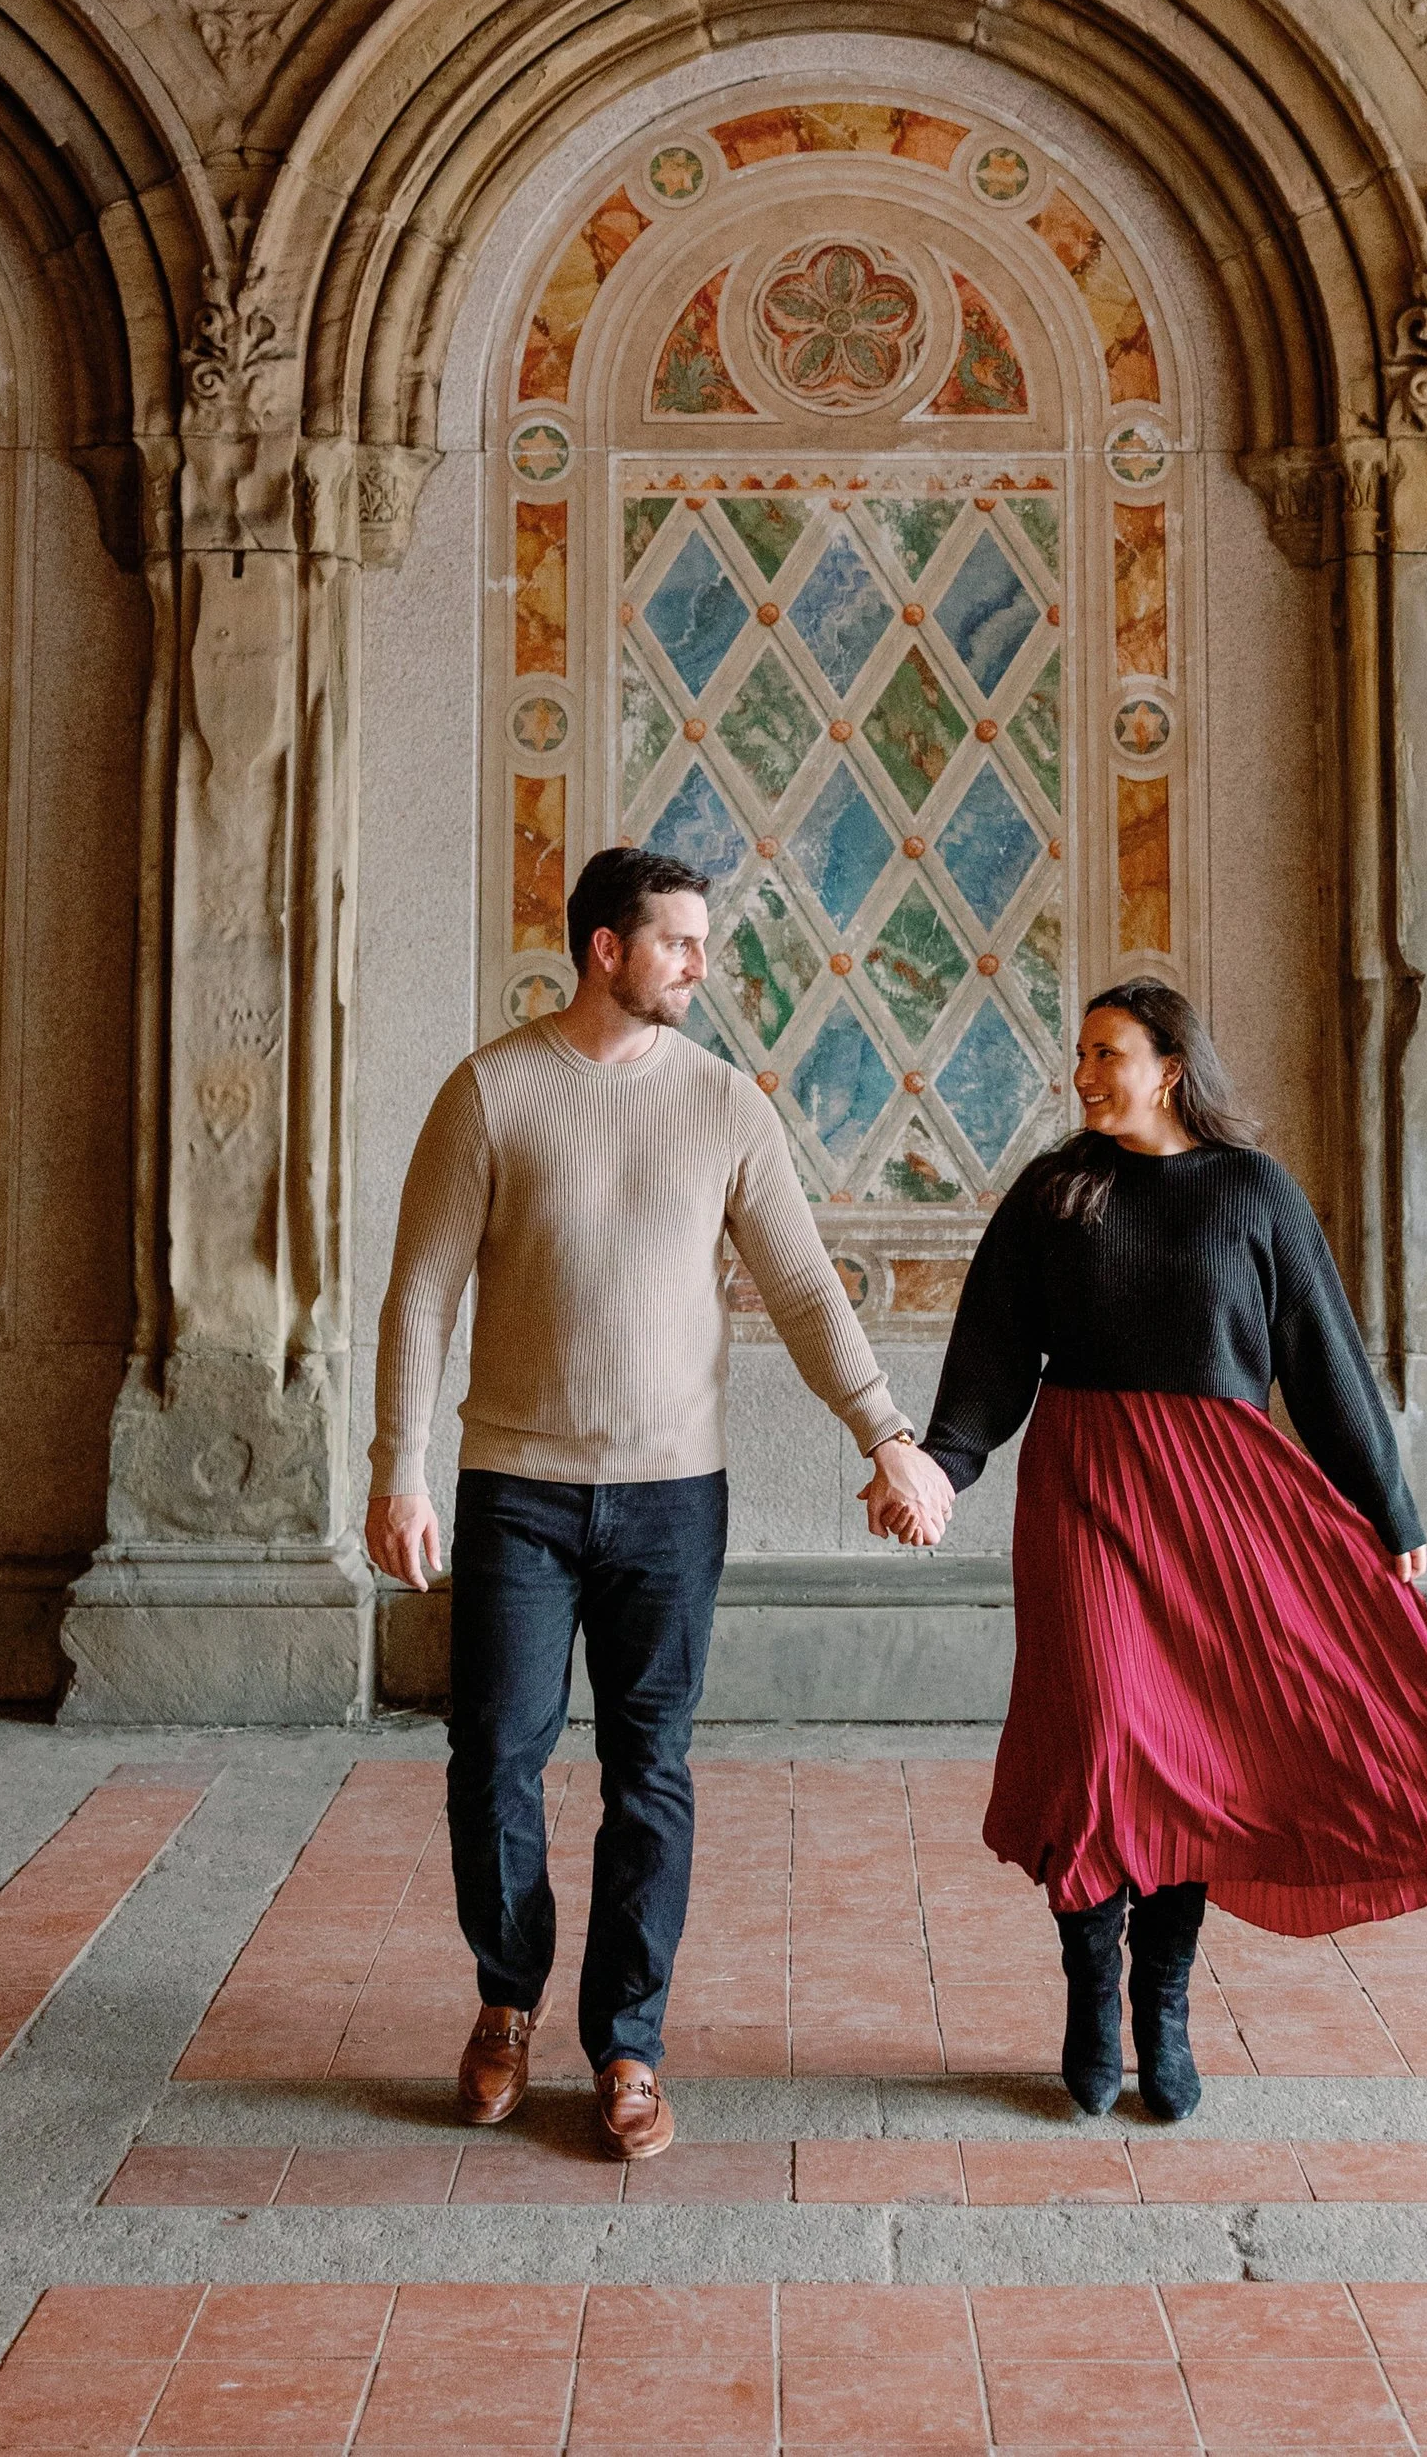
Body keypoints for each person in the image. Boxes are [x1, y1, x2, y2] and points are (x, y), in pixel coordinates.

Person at [366, 845, 952, 2161]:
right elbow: (421, 1294)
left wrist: (888, 1433)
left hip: (673, 1500)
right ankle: (507, 2000)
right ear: (606, 949)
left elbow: (804, 1292)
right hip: (515, 1489)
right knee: (493, 1760)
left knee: (651, 1776)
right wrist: (398, 1467)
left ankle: (627, 2045)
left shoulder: (728, 1106)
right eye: (679, 941)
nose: (702, 962)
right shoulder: (493, 1093)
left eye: (700, 940)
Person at [901, 978, 1427, 2123]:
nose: (1086, 1074)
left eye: (1108, 1053)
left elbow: (1323, 1358)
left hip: (1220, 1501)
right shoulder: (1057, 1192)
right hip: (1087, 1494)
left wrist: (1388, 1510)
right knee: (1103, 1739)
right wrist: (940, 1469)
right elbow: (991, 1355)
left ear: (1170, 1067)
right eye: (1082, 1055)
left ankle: (1162, 2003)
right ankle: (1087, 1992)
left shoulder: (1251, 1192)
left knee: (1193, 1758)